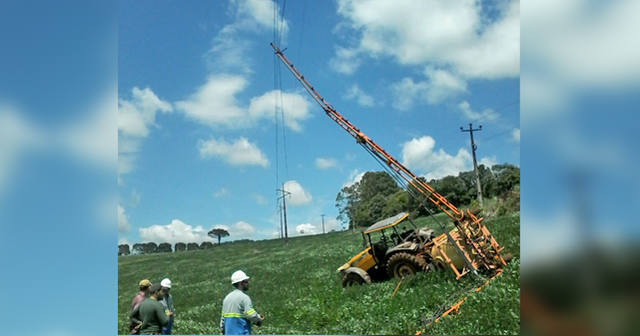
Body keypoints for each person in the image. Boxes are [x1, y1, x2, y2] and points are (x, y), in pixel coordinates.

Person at [220, 270, 264, 335]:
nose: (248, 283)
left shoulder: (227, 298)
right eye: (246, 282)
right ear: (241, 283)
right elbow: (251, 314)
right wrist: (258, 319)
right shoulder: (244, 298)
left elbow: (222, 320)